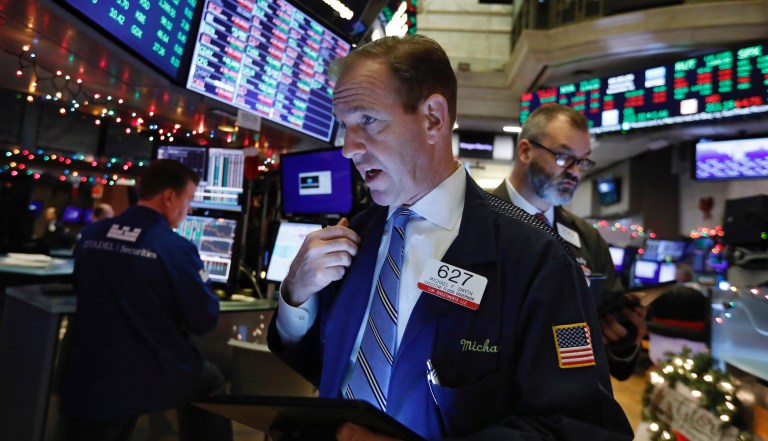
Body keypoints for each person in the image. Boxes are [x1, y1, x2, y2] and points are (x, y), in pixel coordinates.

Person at [267, 35, 632, 441]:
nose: (349, 148)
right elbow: (331, 367)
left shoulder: (536, 258)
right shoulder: (353, 236)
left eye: (366, 119)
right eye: (344, 127)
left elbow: (584, 427)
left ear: (433, 118)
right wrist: (295, 295)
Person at [59, 159, 232, 441]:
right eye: (188, 201)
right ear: (169, 197)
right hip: (147, 370)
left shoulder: (91, 234)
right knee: (210, 378)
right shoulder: (176, 248)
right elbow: (204, 320)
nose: (188, 210)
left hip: (86, 370)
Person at [490, 103, 647, 381]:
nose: (575, 171)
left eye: (583, 161)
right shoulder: (474, 219)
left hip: (566, 399)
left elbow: (613, 356)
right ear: (525, 150)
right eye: (564, 157)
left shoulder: (587, 237)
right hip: (489, 395)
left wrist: (625, 335)